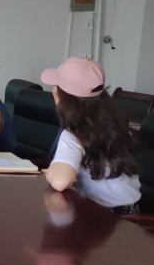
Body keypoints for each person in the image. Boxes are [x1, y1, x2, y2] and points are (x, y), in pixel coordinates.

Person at [42, 57, 141, 213]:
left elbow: (60, 182)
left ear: (63, 98)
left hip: (103, 217)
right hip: (132, 214)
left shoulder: (74, 135)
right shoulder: (119, 127)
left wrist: (52, 172)